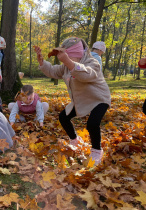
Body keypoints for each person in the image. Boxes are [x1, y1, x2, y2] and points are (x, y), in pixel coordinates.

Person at [34, 37, 111, 165]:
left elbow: (87, 75)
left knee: (92, 124)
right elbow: (53, 71)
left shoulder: (93, 62)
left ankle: (97, 151)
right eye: (64, 58)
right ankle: (75, 139)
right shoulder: (65, 67)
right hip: (82, 99)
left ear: (77, 54)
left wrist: (69, 62)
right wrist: (42, 62)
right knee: (63, 117)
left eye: (68, 57)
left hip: (99, 98)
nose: (65, 61)